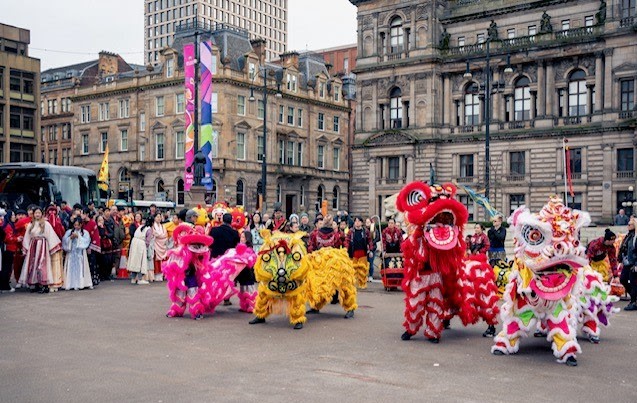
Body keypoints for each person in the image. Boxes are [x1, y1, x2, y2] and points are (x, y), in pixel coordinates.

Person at [18, 207, 62, 293]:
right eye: (36, 213)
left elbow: (51, 235)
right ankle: (35, 284)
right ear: (33, 214)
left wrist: (53, 247)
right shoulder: (31, 225)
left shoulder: (46, 224)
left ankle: (44, 284)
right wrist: (25, 248)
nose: (37, 214)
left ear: (41, 214)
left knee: (42, 264)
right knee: (33, 264)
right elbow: (27, 237)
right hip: (33, 246)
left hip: (43, 246)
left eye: (39, 213)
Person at [210, 213, 240, 305]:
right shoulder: (234, 233)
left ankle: (212, 297)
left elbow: (210, 243)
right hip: (228, 259)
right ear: (231, 221)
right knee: (227, 279)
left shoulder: (214, 230)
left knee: (214, 278)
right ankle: (226, 298)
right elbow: (236, 247)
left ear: (222, 220)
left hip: (215, 258)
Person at [62, 218, 93, 290]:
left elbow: (86, 241)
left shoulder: (84, 232)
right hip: (71, 253)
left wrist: (79, 237)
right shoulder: (69, 232)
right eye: (75, 225)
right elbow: (64, 240)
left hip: (80, 253)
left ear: (81, 225)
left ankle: (81, 283)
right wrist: (70, 238)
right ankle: (70, 283)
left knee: (80, 268)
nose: (76, 227)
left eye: (78, 225)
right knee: (70, 268)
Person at [346, 216, 374, 286]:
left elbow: (370, 241)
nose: (357, 223)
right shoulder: (351, 231)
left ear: (361, 223)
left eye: (358, 221)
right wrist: (345, 249)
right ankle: (353, 284)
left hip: (363, 252)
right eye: (355, 221)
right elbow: (347, 241)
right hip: (353, 252)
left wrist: (370, 250)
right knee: (353, 269)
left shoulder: (365, 231)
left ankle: (362, 284)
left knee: (362, 269)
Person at [127, 217, 154, 285]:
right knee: (141, 262)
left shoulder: (140, 227)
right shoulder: (149, 229)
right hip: (141, 244)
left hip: (134, 243)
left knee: (134, 261)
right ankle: (140, 279)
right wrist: (147, 249)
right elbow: (148, 241)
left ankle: (133, 278)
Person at [45, 205, 66, 292]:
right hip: (56, 246)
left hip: (46, 246)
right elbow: (61, 233)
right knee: (56, 264)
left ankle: (48, 282)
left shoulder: (45, 222)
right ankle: (56, 282)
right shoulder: (57, 222)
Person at [618, 219, 637, 311]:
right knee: (623, 279)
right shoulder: (628, 235)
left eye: (630, 224)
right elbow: (623, 248)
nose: (628, 226)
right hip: (627, 262)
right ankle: (635, 298)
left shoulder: (635, 236)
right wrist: (620, 259)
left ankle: (634, 302)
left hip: (633, 263)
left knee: (633, 283)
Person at [236, 231, 257, 313]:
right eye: (241, 237)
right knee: (243, 289)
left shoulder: (249, 249)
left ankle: (251, 305)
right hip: (242, 273)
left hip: (248, 272)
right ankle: (244, 306)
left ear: (247, 238)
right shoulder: (240, 247)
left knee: (249, 289)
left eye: (243, 237)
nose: (241, 239)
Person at [82, 209, 101, 286]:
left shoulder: (92, 223)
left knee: (92, 263)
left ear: (86, 214)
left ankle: (94, 278)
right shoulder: (82, 223)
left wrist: (90, 247)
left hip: (91, 247)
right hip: (83, 246)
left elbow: (95, 236)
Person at [0, 211, 18, 292]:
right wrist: (17, 239)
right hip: (8, 249)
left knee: (5, 268)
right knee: (7, 268)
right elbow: (8, 238)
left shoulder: (7, 225)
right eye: (13, 215)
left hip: (8, 249)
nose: (15, 217)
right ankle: (5, 286)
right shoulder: (8, 226)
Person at [96, 215, 114, 282]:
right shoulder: (98, 228)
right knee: (102, 261)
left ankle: (107, 275)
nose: (101, 222)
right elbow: (102, 234)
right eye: (99, 220)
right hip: (101, 246)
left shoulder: (106, 226)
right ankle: (102, 275)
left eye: (102, 220)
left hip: (108, 245)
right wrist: (101, 227)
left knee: (109, 261)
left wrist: (106, 236)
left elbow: (111, 233)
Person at [152, 212, 168, 282]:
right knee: (156, 260)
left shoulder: (163, 226)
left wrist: (161, 236)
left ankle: (163, 274)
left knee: (163, 260)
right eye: (157, 217)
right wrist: (161, 236)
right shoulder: (152, 226)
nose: (159, 218)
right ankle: (156, 274)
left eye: (160, 217)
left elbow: (165, 235)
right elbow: (155, 234)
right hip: (156, 244)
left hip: (163, 244)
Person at [365, 217, 380, 282]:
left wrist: (371, 243)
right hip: (365, 248)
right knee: (365, 263)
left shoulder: (374, 230)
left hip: (372, 248)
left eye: (368, 222)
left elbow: (377, 238)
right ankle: (365, 275)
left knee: (371, 262)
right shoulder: (364, 230)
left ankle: (370, 275)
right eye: (366, 222)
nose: (367, 223)